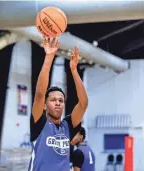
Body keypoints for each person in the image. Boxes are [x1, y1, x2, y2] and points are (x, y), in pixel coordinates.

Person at [28, 37, 88, 171]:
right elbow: (39, 95)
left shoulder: (67, 126)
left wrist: (74, 70)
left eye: (61, 101)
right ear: (44, 105)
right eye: (53, 100)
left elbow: (83, 104)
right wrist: (49, 58)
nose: (58, 103)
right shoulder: (39, 123)